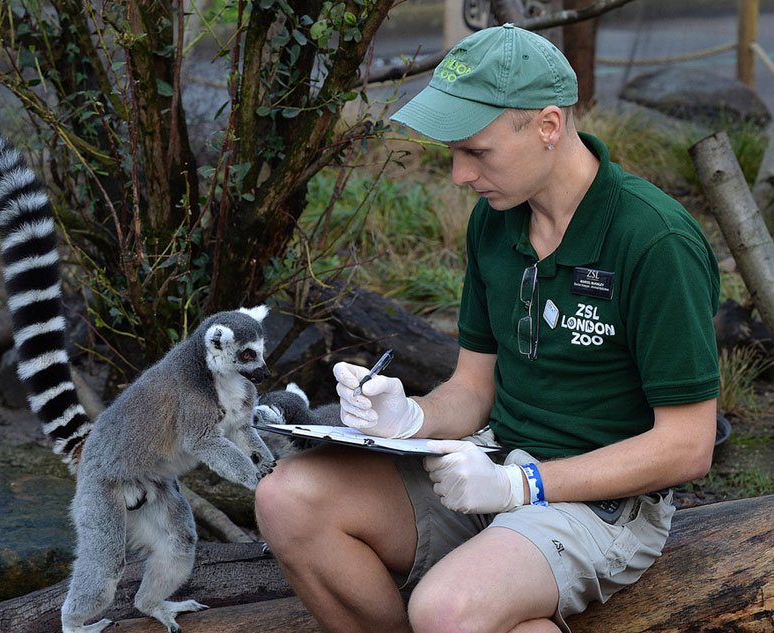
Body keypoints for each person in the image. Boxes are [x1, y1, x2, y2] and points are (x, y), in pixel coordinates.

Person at [255, 23, 720, 633]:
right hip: (488, 462)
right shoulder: (495, 222)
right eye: (452, 153)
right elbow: (474, 390)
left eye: (475, 151)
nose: (458, 175)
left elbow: (687, 447)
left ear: (548, 126)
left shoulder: (654, 241)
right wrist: (410, 417)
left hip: (602, 502)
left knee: (447, 609)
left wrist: (520, 484)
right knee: (285, 499)